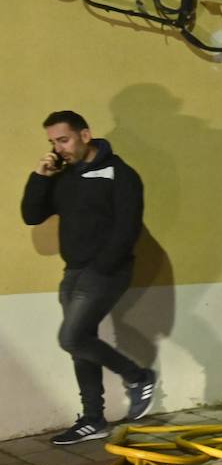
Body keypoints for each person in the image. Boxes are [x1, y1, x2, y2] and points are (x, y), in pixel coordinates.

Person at [21, 110, 157, 445]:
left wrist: (104, 265)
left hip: (105, 270)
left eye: (63, 139)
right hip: (74, 271)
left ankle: (138, 376)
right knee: (80, 344)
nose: (58, 148)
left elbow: (129, 225)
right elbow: (31, 215)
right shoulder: (63, 176)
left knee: (71, 337)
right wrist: (40, 177)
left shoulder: (120, 174)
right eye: (53, 141)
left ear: (85, 135)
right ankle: (93, 419)